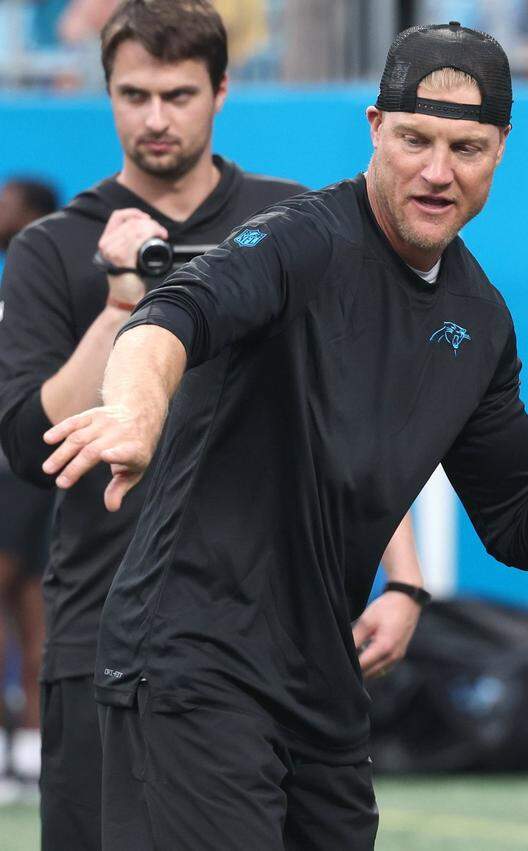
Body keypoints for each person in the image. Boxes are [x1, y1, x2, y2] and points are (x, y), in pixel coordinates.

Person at [38, 21, 528, 849]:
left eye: (467, 147)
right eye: (415, 139)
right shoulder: (301, 238)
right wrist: (136, 410)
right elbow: (171, 317)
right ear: (375, 127)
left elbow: (525, 521)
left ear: (502, 150)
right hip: (192, 657)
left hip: (323, 681)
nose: (437, 171)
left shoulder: (480, 320)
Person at [0, 2, 316, 847]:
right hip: (100, 628)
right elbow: (33, 448)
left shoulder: (289, 225)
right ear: (107, 94)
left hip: (256, 635)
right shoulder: (52, 247)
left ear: (220, 90)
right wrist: (116, 299)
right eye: (132, 95)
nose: (154, 118)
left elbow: (335, 413)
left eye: (177, 95)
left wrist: (403, 581)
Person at [0, 176, 59, 793]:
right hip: (23, 469)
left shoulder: (45, 287)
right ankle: (16, 753)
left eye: (7, 200)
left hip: (29, 472)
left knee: (36, 611)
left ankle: (32, 752)